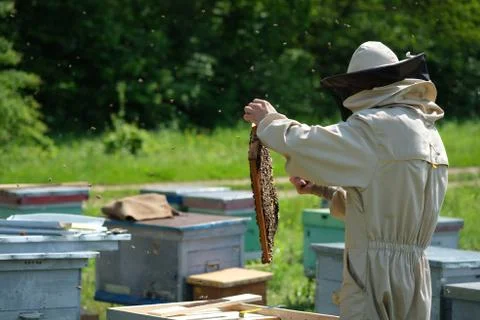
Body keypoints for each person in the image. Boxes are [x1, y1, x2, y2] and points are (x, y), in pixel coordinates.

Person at [243, 41, 448, 320]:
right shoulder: (428, 132)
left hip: (372, 271)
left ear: (363, 85)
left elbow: (310, 143)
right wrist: (324, 190)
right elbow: (385, 202)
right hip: (416, 273)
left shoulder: (375, 127)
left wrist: (269, 121)